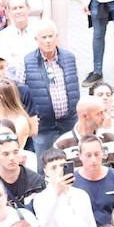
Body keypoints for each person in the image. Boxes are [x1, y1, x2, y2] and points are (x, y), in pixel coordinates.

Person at [19, 22, 80, 159]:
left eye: (51, 36)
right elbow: (20, 94)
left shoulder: (69, 57)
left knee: (71, 161)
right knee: (44, 163)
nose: (48, 41)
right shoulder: (27, 61)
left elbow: (74, 87)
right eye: (43, 37)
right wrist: (30, 118)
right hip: (43, 127)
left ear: (56, 37)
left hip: (68, 122)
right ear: (36, 40)